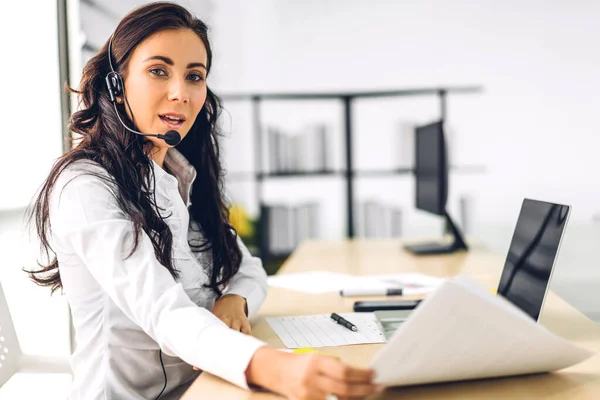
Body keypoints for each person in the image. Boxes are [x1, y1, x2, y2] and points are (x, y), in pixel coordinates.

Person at [26, 2, 379, 400]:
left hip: (204, 386)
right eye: (158, 71)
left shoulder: (179, 176)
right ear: (117, 86)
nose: (180, 93)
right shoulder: (86, 187)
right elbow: (165, 312)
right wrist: (274, 366)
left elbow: (249, 268)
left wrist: (235, 299)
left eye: (194, 76)